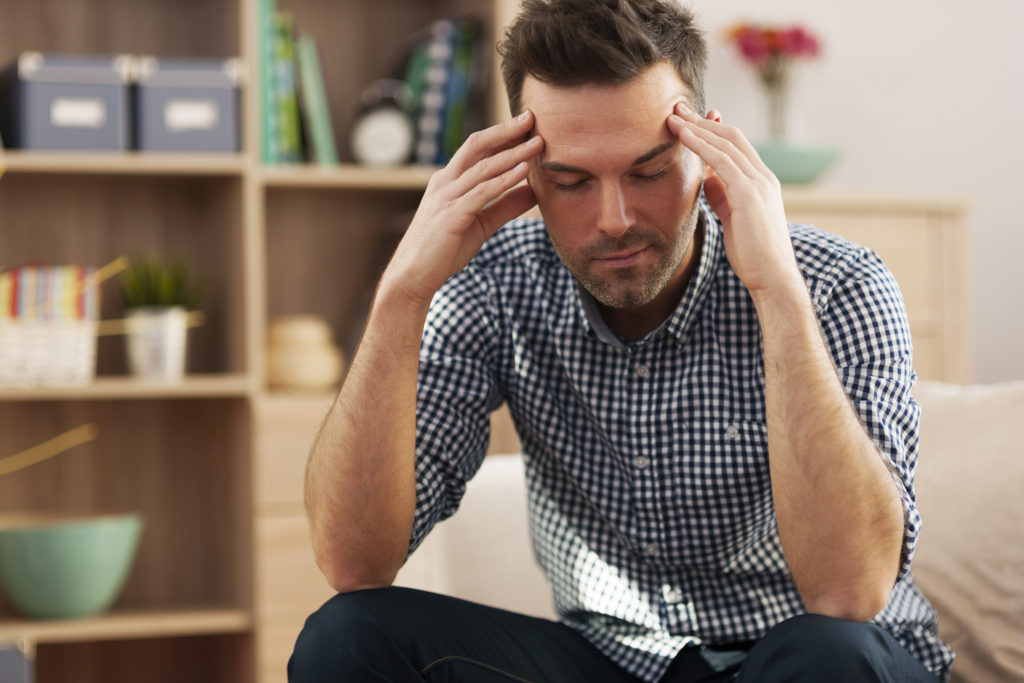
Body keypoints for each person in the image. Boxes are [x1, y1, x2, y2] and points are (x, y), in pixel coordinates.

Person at [290, 0, 952, 680]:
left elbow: (848, 594)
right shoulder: (493, 281)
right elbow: (353, 561)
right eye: (571, 181)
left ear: (707, 152)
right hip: (614, 660)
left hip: (805, 656)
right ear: (527, 175)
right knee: (348, 635)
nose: (615, 220)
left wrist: (779, 296)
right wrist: (402, 296)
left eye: (648, 172)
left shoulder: (839, 283)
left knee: (834, 656)